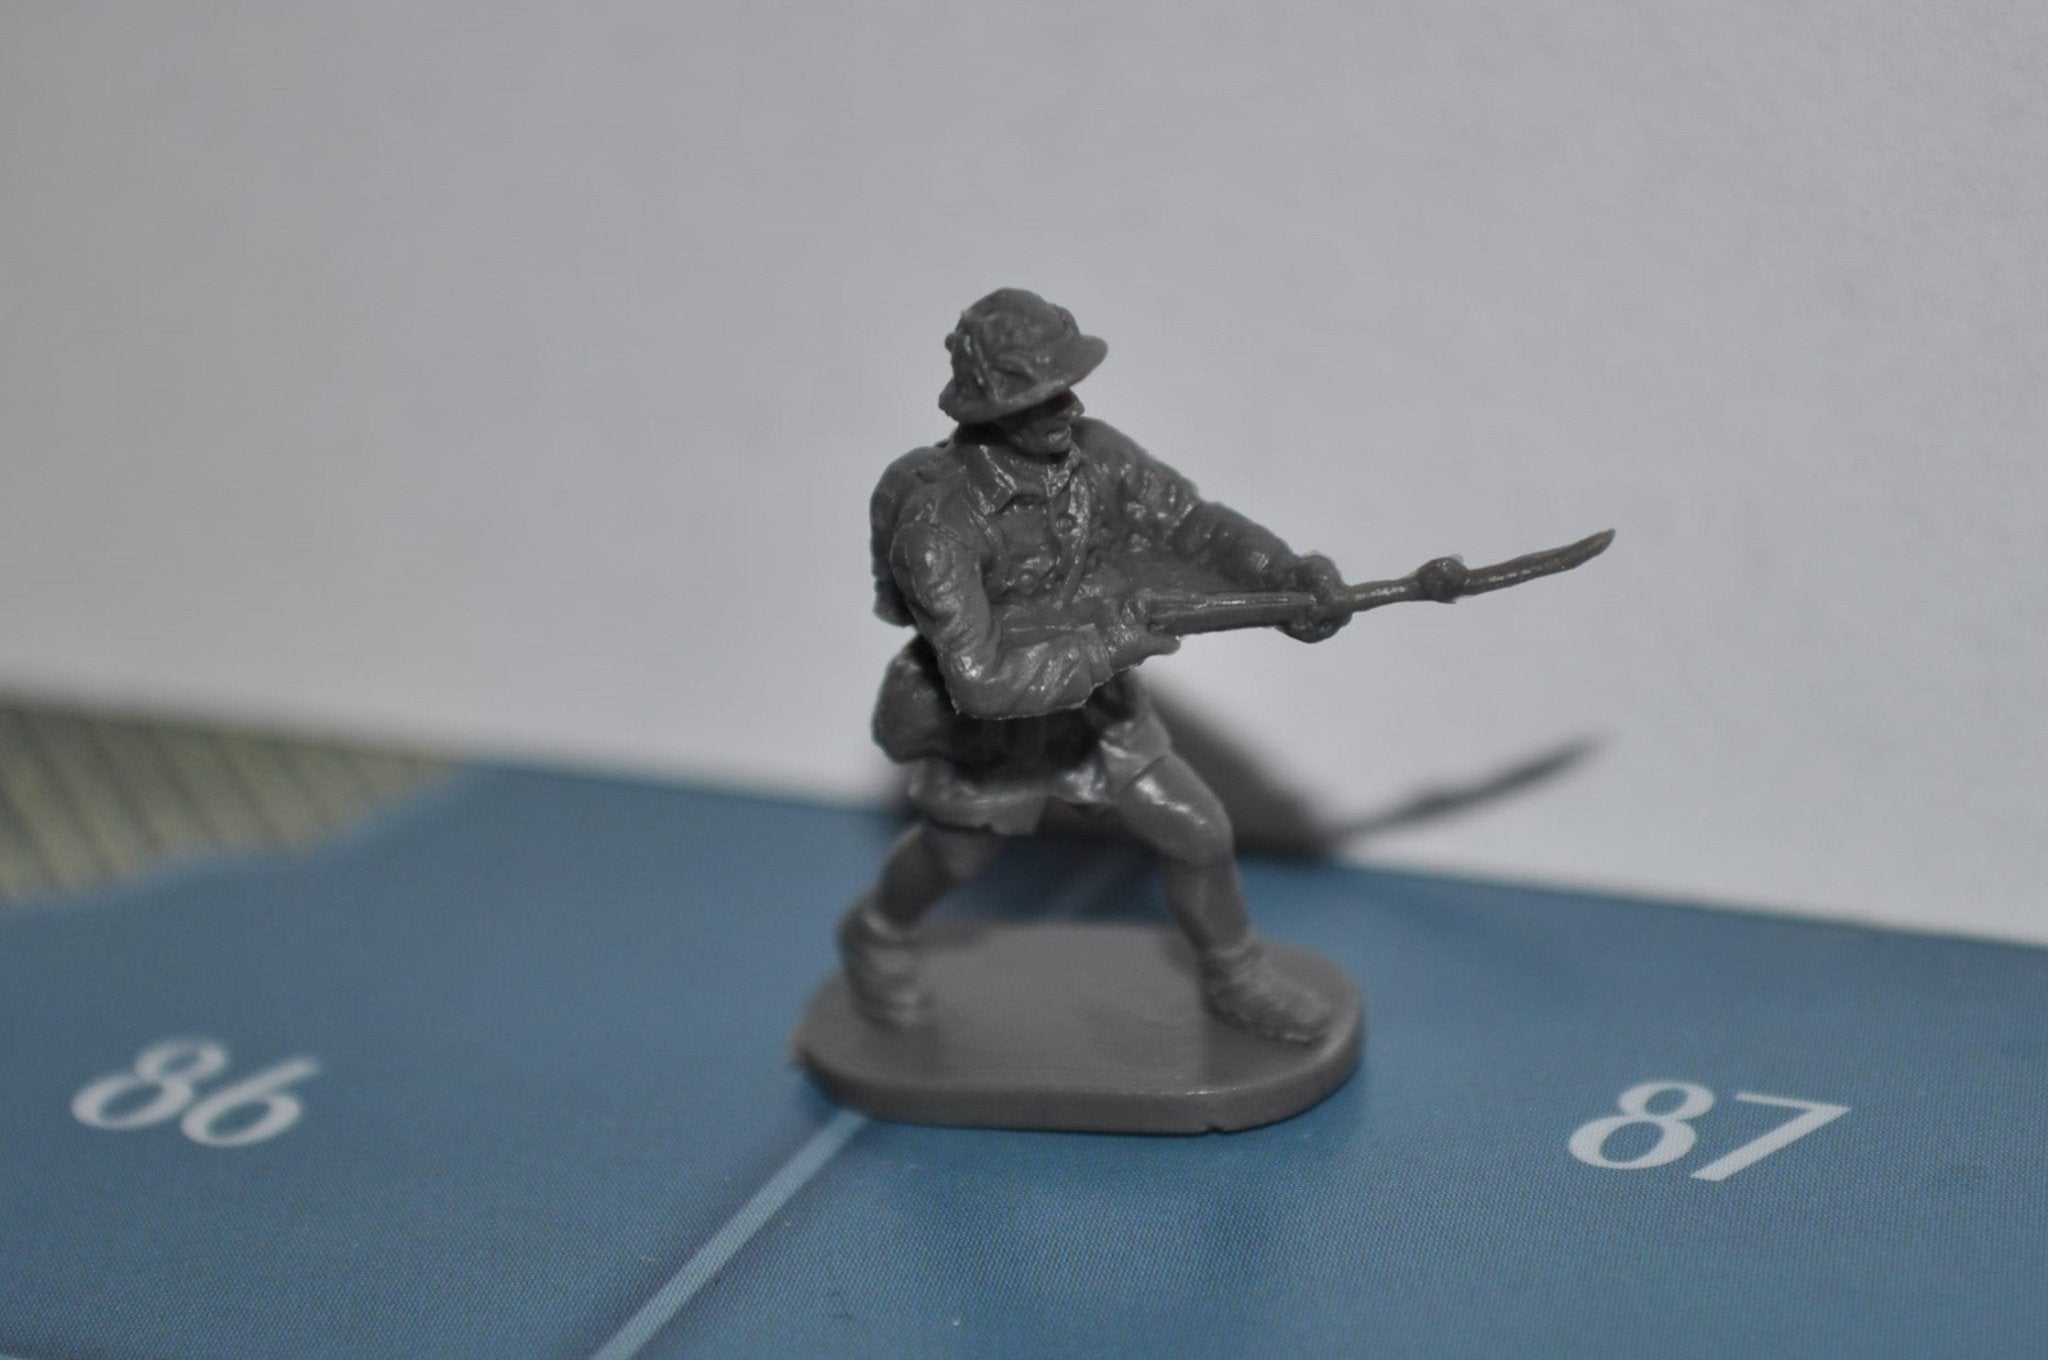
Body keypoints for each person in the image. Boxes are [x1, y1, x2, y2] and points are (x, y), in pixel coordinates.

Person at [840, 288, 1350, 1044]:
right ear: (992, 409)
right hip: (988, 737)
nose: (1068, 408)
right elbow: (980, 679)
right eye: (1043, 397)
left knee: (1199, 832)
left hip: (1094, 714)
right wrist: (1113, 642)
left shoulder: (1098, 455)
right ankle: (878, 933)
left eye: (1068, 387)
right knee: (955, 858)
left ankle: (1235, 978)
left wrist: (1282, 576)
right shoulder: (939, 524)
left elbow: (1191, 525)